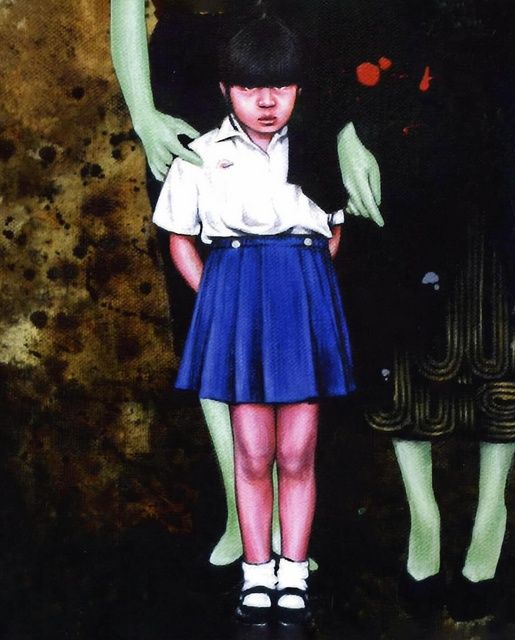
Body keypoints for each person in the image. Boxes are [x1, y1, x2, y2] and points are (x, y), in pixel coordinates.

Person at [331, 0, 515, 620]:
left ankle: (491, 512)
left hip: (503, 105)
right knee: (400, 329)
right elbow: (327, 20)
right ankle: (423, 514)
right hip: (391, 112)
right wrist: (341, 131)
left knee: (504, 321)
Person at [110, 0, 378, 568]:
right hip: (187, 77)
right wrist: (144, 114)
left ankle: (291, 520)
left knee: (302, 298)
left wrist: (346, 126)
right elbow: (125, 6)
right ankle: (242, 509)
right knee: (210, 312)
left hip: (292, 60)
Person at [152, 16, 355, 625]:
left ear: (299, 90)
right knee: (252, 449)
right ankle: (256, 573)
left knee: (297, 450)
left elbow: (335, 230)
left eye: (281, 87)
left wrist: (305, 289)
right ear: (224, 90)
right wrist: (221, 299)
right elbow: (180, 239)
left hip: (301, 297)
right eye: (249, 88)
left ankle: (294, 573)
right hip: (236, 296)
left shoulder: (318, 151)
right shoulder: (200, 155)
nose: (267, 102)